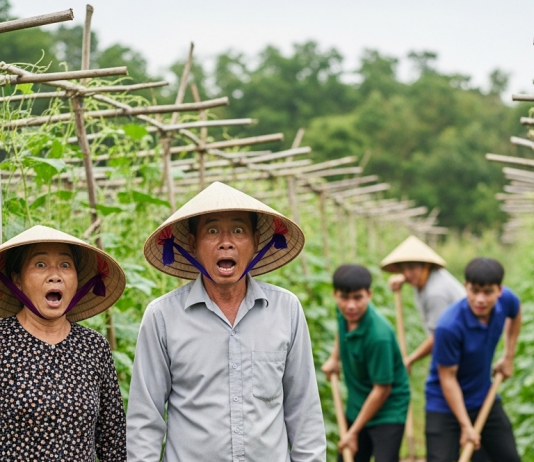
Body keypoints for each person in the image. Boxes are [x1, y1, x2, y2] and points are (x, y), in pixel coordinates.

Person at [127, 181, 326, 462]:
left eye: (238, 230)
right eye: (211, 231)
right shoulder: (162, 317)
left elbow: (304, 411)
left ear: (256, 241)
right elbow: (145, 419)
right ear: (192, 244)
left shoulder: (286, 309)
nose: (226, 242)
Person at [0, 225, 127, 461]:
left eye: (65, 265)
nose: (55, 275)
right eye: (40, 265)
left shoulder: (93, 347)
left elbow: (114, 440)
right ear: (17, 280)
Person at [425, 257, 521, 462]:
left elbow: (516, 312)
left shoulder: (506, 301)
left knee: (509, 458)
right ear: (465, 287)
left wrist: (508, 356)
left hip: (482, 397)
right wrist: (466, 426)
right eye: (474, 291)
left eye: (487, 292)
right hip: (443, 404)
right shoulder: (449, 326)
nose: (480, 299)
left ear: (499, 290)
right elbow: (448, 378)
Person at [321, 264, 410, 462]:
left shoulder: (379, 336)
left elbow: (382, 389)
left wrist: (353, 432)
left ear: (369, 295)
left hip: (388, 409)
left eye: (358, 298)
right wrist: (335, 358)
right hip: (358, 402)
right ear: (335, 295)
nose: (351, 305)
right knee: (349, 457)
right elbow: (341, 327)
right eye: (344, 297)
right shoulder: (344, 312)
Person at [380, 235, 465, 372]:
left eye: (411, 268)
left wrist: (410, 360)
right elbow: (410, 275)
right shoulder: (423, 278)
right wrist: (402, 279)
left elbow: (438, 337)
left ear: (426, 266)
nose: (407, 274)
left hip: (460, 347)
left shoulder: (435, 293)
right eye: (403, 269)